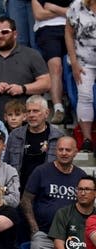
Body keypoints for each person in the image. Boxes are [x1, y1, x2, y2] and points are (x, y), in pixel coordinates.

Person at [21, 136, 86, 249]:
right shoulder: (41, 171)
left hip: (71, 237)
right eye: (60, 149)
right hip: (44, 234)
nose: (64, 153)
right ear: (55, 151)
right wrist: (34, 228)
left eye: (68, 150)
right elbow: (26, 200)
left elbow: (86, 205)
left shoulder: (81, 176)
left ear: (76, 152)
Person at [4, 95, 65, 190]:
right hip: (19, 189)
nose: (31, 115)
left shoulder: (58, 137)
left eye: (36, 111)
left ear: (47, 113)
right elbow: (6, 164)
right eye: (28, 111)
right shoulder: (15, 135)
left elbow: (64, 167)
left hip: (47, 191)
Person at [48, 176, 96, 249]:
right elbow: (58, 248)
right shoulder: (64, 213)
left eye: (87, 189)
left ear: (95, 193)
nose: (82, 193)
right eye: (80, 189)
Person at [31, 0, 68, 124]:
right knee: (55, 66)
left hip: (72, 28)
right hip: (46, 30)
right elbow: (39, 14)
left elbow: (77, 12)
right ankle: (58, 108)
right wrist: (64, 11)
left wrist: (53, 7)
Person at [66, 0, 96, 151]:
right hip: (83, 61)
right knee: (85, 96)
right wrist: (74, 61)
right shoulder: (77, 5)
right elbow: (69, 33)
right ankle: (86, 139)